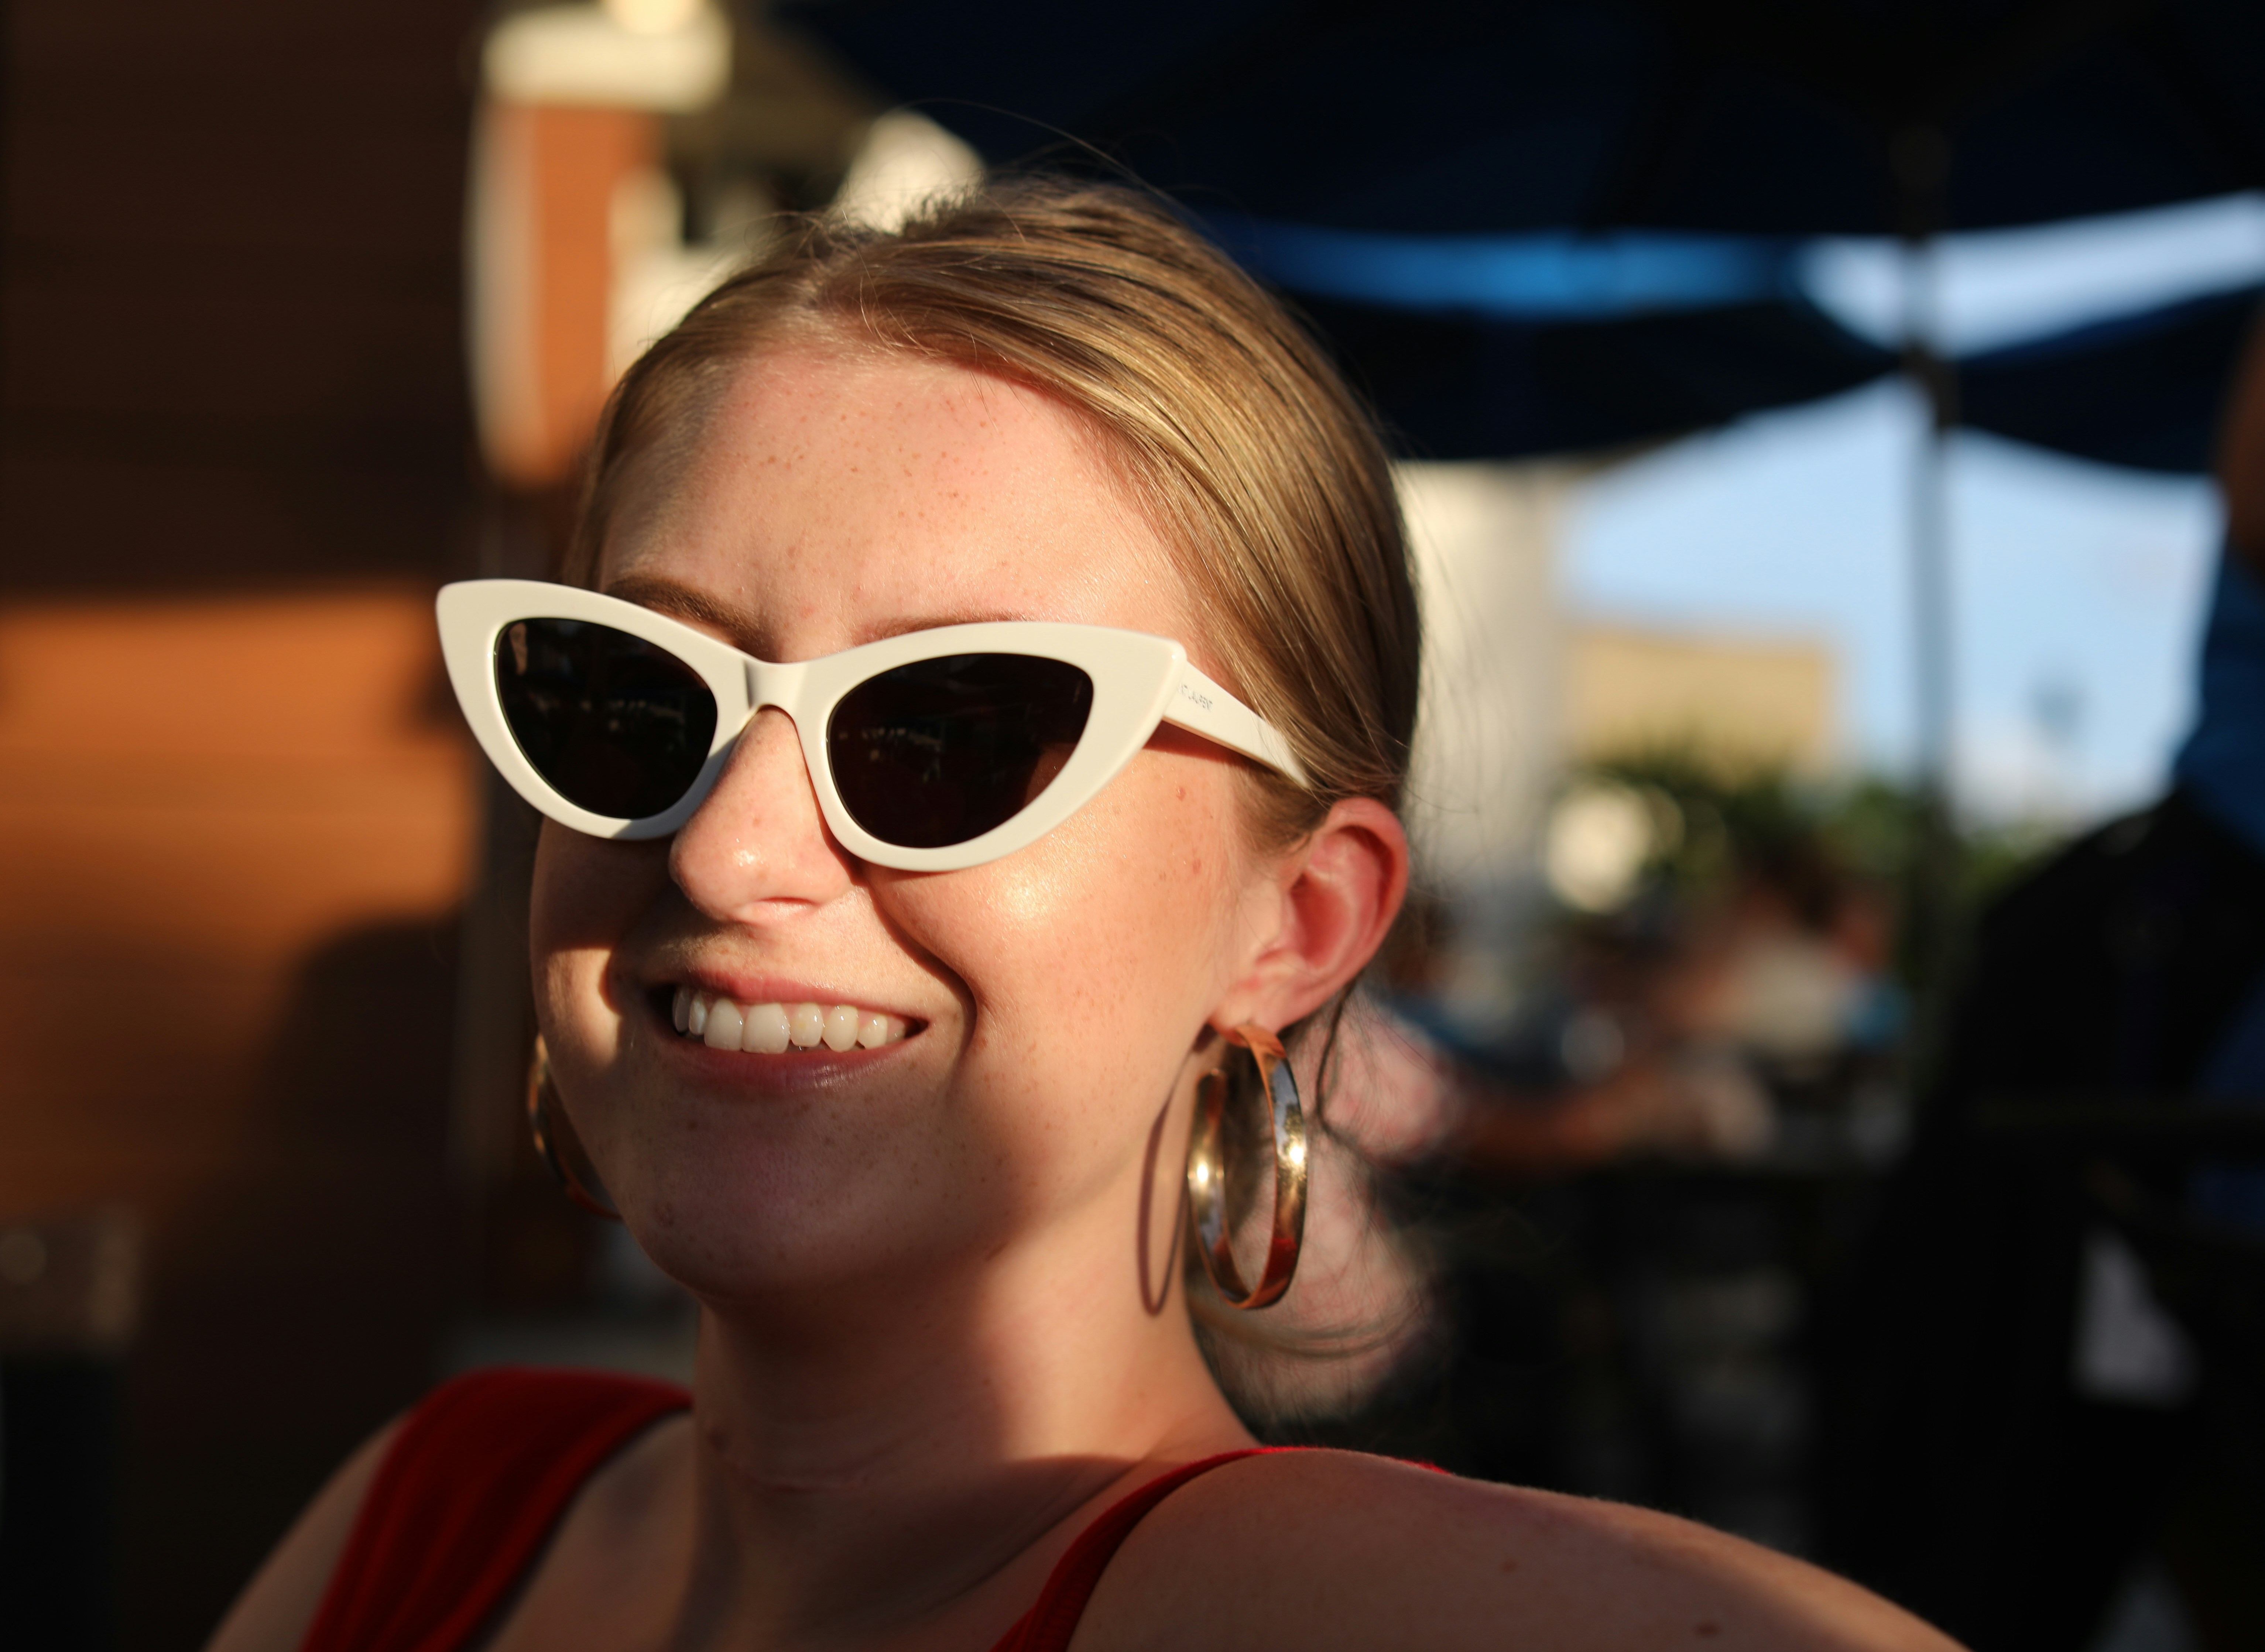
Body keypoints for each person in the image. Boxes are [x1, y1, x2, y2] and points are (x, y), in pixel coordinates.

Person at [207, 176, 1953, 1652]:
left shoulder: (1344, 1609)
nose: (726, 851)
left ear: (1300, 923)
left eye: (955, 730)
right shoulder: (433, 1506)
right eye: (633, 696)